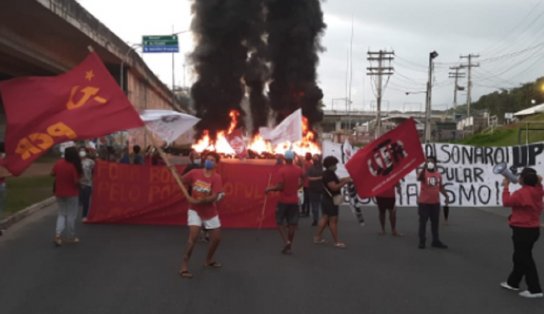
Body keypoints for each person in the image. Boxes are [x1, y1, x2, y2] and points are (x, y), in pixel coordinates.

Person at [179, 152, 224, 279]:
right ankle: (184, 265)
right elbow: (181, 180)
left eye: (212, 160)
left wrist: (200, 200)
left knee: (216, 238)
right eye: (207, 159)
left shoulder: (216, 178)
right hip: (195, 210)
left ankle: (208, 260)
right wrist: (173, 172)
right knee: (193, 237)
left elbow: (214, 196)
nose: (209, 161)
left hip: (210, 211)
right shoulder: (194, 173)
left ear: (216, 163)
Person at [500, 168, 543, 298]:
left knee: (525, 258)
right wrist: (538, 181)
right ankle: (513, 282)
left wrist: (506, 187)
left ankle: (535, 289)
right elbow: (538, 184)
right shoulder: (538, 190)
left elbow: (506, 202)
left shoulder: (521, 193)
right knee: (520, 256)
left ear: (523, 179)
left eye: (520, 177)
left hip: (522, 230)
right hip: (532, 229)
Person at [265, 150, 304, 255]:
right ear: (292, 159)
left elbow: (280, 186)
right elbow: (304, 179)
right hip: (294, 201)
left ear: (285, 159)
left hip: (283, 201)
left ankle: (286, 241)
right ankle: (289, 245)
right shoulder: (298, 169)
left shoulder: (282, 170)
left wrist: (270, 189)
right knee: (292, 224)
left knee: (279, 222)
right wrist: (298, 187)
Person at [314, 156, 351, 248]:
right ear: (331, 165)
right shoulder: (329, 175)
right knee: (333, 220)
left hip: (326, 199)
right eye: (335, 164)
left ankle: (317, 237)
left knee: (325, 217)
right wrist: (345, 182)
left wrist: (347, 178)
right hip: (331, 200)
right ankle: (337, 241)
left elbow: (337, 181)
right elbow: (334, 187)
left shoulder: (328, 173)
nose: (336, 166)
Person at [51, 146, 82, 246]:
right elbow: (76, 182)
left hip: (59, 193)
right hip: (72, 194)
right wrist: (81, 186)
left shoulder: (59, 163)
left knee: (61, 214)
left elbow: (52, 173)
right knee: (71, 215)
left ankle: (58, 235)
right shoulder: (73, 166)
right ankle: (70, 236)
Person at [417, 155, 449, 249]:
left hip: (435, 203)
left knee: (435, 223)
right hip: (424, 203)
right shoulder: (423, 173)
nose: (430, 162)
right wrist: (424, 166)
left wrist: (446, 195)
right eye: (428, 161)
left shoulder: (438, 174)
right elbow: (419, 178)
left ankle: (435, 241)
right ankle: (422, 241)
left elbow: (440, 187)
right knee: (423, 223)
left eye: (431, 161)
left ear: (435, 163)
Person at [79, 147, 95, 222]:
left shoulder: (91, 162)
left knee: (86, 201)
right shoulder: (76, 162)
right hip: (78, 184)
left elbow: (95, 171)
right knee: (80, 201)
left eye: (83, 151)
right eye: (80, 151)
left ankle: (84, 215)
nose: (82, 152)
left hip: (88, 184)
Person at [306, 154, 323, 226]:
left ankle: (325, 219)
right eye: (313, 159)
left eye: (316, 158)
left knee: (323, 206)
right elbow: (308, 178)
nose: (314, 160)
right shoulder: (311, 168)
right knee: (314, 206)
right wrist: (319, 178)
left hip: (321, 189)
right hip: (312, 189)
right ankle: (315, 219)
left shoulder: (322, 168)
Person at [301, 153, 313, 217]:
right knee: (308, 198)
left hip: (305, 183)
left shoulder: (305, 164)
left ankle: (304, 211)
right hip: (310, 183)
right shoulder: (311, 164)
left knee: (305, 198)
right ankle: (307, 211)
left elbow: (304, 173)